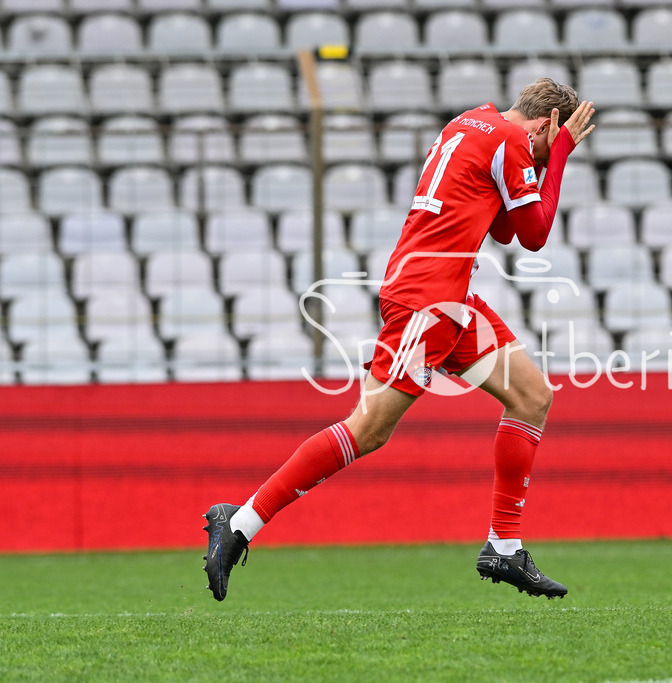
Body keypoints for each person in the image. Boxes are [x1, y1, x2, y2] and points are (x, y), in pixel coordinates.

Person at [203, 79, 596, 601]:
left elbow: (502, 228)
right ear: (544, 123)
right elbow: (534, 234)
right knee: (368, 429)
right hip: (426, 301)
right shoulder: (513, 141)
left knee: (532, 397)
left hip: (449, 297)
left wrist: (545, 154)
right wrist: (561, 152)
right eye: (549, 140)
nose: (544, 155)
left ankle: (503, 546)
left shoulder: (473, 121)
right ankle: (240, 523)